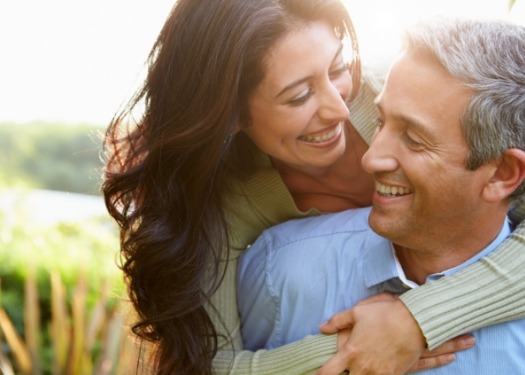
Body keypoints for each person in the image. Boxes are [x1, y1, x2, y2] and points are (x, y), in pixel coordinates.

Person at [101, 0, 525, 372]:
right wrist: (350, 350)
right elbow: (212, 366)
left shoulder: (397, 91)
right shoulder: (223, 205)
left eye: (338, 68)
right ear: (230, 115)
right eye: (299, 95)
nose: (340, 107)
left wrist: (418, 320)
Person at [238, 17, 525, 374]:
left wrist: (420, 320)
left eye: (414, 139)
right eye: (378, 121)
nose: (369, 158)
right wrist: (342, 353)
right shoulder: (277, 271)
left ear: (502, 174)